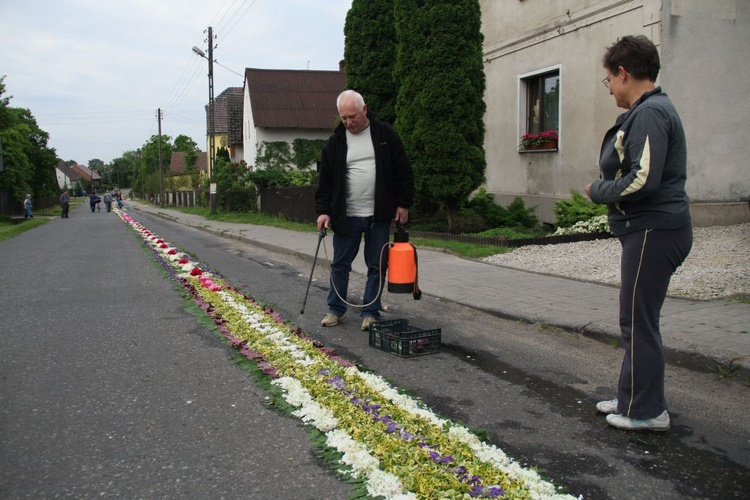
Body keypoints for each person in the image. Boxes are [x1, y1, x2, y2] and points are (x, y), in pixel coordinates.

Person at [585, 35, 692, 431]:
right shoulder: (649, 110)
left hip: (655, 229)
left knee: (638, 320)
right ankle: (633, 396)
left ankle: (647, 411)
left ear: (623, 73)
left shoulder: (650, 113)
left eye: (608, 79)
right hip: (652, 229)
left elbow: (643, 180)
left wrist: (599, 191)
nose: (609, 87)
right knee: (636, 317)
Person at [315, 90, 414, 332]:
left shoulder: (385, 135)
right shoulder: (336, 142)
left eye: (352, 116)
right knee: (340, 264)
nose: (348, 122)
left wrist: (403, 203)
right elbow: (325, 181)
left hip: (378, 215)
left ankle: (370, 312)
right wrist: (323, 211)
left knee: (377, 265)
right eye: (344, 117)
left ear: (365, 110)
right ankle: (335, 310)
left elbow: (403, 171)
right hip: (345, 215)